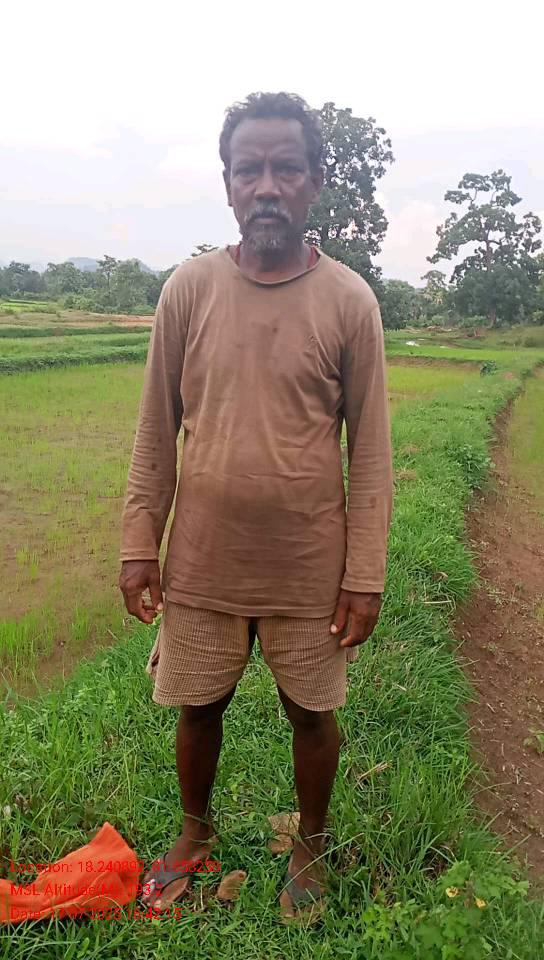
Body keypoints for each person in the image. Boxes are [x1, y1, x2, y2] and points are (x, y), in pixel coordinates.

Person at [118, 91, 393, 918]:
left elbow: (371, 452)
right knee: (198, 706)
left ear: (314, 182)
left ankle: (310, 839)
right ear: (229, 184)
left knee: (312, 713)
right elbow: (155, 431)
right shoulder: (188, 290)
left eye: (285, 168)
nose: (266, 186)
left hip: (309, 567)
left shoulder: (350, 301)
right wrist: (138, 544)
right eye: (249, 170)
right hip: (203, 560)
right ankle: (194, 832)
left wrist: (365, 574)